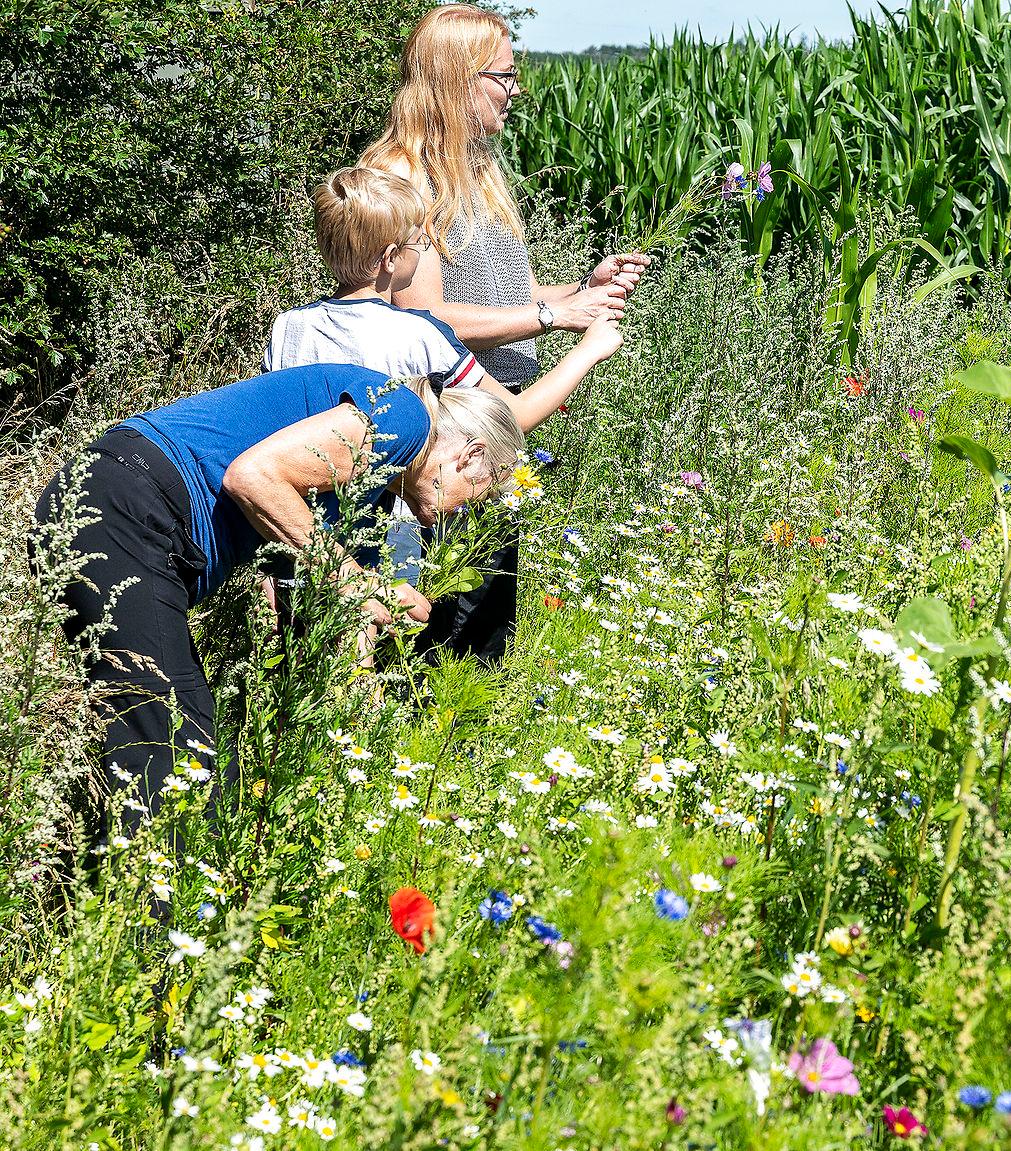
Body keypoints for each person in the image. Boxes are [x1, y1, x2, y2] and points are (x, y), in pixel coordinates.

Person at [30, 359, 598, 842]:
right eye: (484, 492)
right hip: (123, 505)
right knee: (177, 741)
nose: (465, 515)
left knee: (163, 734)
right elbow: (254, 478)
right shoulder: (404, 416)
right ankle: (147, 947)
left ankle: (127, 912)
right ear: (469, 456)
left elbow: (330, 609)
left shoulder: (370, 493)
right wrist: (362, 585)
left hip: (115, 513)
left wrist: (367, 715)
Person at [360, 2, 648, 662]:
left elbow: (503, 298)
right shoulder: (407, 178)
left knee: (491, 620)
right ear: (459, 78)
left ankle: (466, 754)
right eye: (505, 76)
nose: (516, 92)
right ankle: (419, 755)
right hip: (442, 440)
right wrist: (555, 317)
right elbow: (428, 322)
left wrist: (581, 291)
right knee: (441, 626)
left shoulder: (479, 169)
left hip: (495, 432)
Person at [263, 166, 624, 581]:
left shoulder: (289, 327)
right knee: (370, 634)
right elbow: (514, 415)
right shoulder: (417, 335)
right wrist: (588, 351)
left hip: (290, 525)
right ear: (390, 258)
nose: (425, 249)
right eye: (420, 241)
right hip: (373, 529)